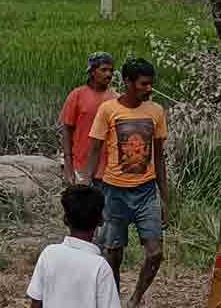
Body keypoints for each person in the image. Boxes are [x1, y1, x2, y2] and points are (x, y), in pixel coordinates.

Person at [82, 58, 169, 308]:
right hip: (114, 193)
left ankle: (135, 300)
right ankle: (113, 301)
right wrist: (87, 188)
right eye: (143, 84)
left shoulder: (156, 111)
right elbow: (94, 150)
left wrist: (165, 199)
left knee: (155, 253)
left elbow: (159, 158)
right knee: (113, 254)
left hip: (146, 192)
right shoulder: (108, 110)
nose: (149, 89)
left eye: (151, 84)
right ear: (128, 82)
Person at [26, 184, 120, 308]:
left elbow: (36, 303)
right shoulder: (100, 267)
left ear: (65, 219)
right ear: (101, 220)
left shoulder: (49, 254)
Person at [60, 52, 119, 185]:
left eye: (111, 70)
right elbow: (67, 131)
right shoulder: (77, 95)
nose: (108, 74)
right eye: (104, 70)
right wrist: (68, 166)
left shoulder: (116, 99)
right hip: (81, 166)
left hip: (109, 170)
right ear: (92, 72)